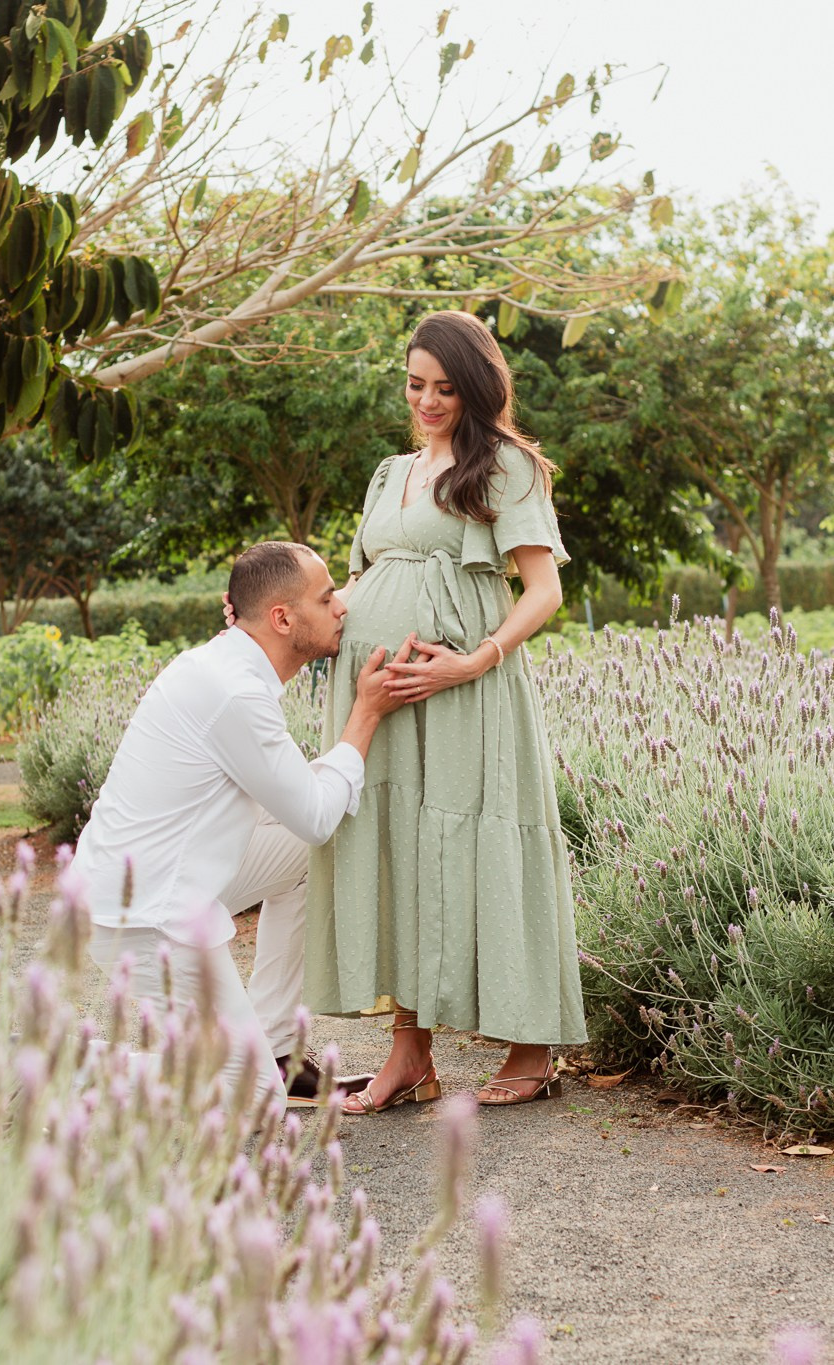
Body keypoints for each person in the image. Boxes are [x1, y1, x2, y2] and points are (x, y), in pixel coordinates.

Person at [302, 310, 588, 1113]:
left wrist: (474, 659)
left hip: (468, 692)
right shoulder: (388, 472)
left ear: (476, 388)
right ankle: (410, 1058)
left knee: (481, 838)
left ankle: (533, 1046)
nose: (426, 401)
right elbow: (363, 579)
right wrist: (308, 629)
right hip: (380, 695)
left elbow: (544, 590)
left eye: (445, 388)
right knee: (395, 849)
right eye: (415, 384)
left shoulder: (506, 467)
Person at [75, 541, 412, 1119]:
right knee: (249, 1101)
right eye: (328, 598)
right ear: (282, 619)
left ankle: (276, 1051)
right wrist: (366, 715)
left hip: (167, 878)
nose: (342, 609)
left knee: (309, 854)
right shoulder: (235, 692)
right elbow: (313, 810)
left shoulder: (226, 664)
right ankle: (66, 1063)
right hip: (144, 912)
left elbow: (301, 815)